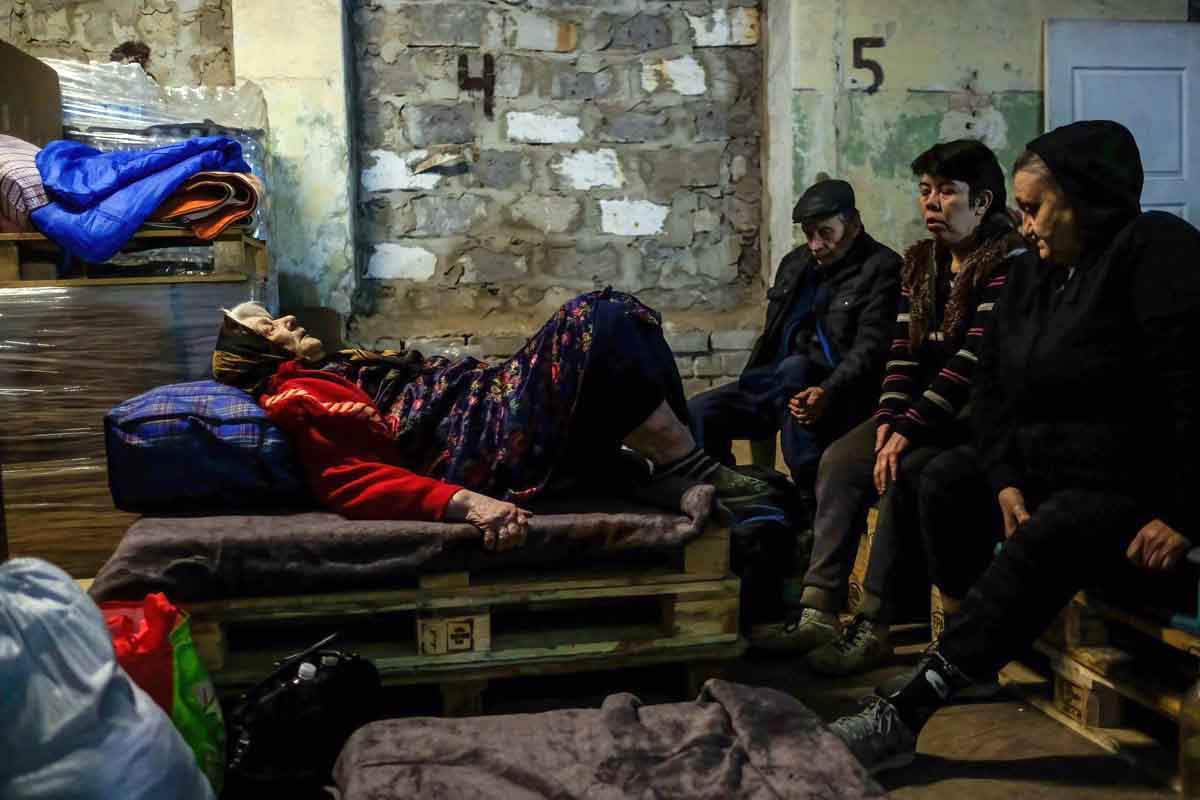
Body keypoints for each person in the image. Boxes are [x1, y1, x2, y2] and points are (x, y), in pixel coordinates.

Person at [829, 120, 1200, 775]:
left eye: (1034, 210)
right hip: (1048, 478)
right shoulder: (1032, 276)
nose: (1023, 226)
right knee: (943, 478)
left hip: (1133, 497)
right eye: (1021, 210)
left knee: (1057, 526)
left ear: (1087, 199)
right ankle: (975, 655)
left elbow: (1194, 392)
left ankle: (913, 705)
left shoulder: (1157, 252)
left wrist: (1184, 513)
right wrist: (1003, 479)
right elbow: (993, 391)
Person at [211, 290, 771, 550]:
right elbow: (352, 483)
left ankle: (686, 464)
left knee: (624, 323)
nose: (286, 319)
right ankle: (687, 465)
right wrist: (469, 503)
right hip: (477, 442)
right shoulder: (297, 392)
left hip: (485, 409)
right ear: (265, 354)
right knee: (593, 318)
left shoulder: (329, 369)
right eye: (270, 326)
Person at [760, 140, 1035, 661]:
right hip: (921, 411)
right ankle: (820, 607)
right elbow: (900, 356)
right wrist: (888, 417)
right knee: (843, 459)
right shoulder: (921, 263)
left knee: (905, 468)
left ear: (983, 202)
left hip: (974, 415)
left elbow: (970, 363)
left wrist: (906, 429)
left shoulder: (1010, 263)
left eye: (948, 192)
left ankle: (876, 625)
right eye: (925, 191)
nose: (932, 203)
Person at [688, 179, 901, 495]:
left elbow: (870, 350)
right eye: (808, 234)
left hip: (835, 392)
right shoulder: (796, 263)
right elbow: (773, 334)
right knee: (700, 412)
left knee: (796, 373)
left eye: (825, 233)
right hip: (774, 383)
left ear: (854, 223)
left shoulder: (882, 267)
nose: (814, 244)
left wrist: (827, 391)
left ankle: (808, 506)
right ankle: (732, 499)